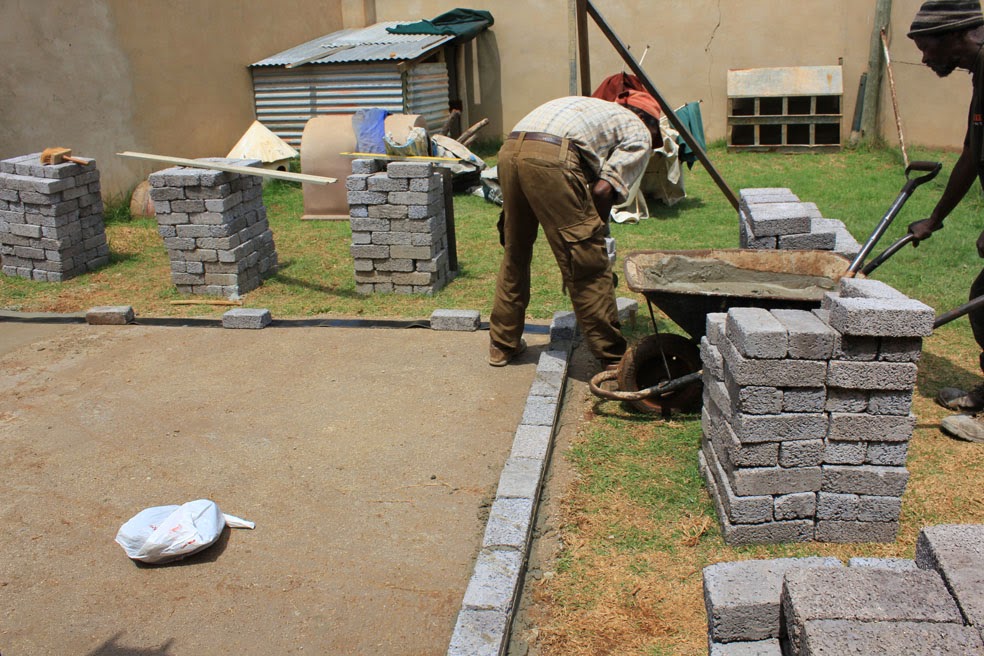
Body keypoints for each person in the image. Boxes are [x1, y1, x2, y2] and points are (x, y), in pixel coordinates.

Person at [488, 93, 662, 369]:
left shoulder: (598, 110)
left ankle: (501, 344)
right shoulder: (638, 129)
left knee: (515, 253)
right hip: (552, 157)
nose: (653, 144)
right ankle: (612, 358)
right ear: (646, 119)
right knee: (587, 261)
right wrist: (594, 237)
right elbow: (603, 190)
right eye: (656, 136)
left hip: (510, 150)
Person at [907, 0, 984, 442]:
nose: (923, 58)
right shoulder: (980, 73)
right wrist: (935, 218)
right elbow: (973, 151)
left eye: (926, 47)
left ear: (955, 34)